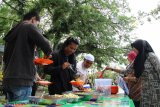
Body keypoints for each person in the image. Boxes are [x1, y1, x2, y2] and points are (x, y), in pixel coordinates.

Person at [3, 10, 52, 102]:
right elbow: (46, 44)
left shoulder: (12, 32)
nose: (36, 26)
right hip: (22, 80)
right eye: (37, 24)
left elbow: (6, 58)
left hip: (8, 79)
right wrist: (48, 53)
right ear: (33, 19)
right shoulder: (28, 26)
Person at [131, 39, 160, 107]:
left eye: (135, 48)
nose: (133, 50)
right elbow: (127, 71)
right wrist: (112, 69)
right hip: (145, 91)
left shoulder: (151, 56)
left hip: (155, 91)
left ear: (140, 47)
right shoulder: (139, 59)